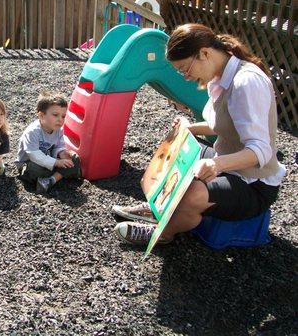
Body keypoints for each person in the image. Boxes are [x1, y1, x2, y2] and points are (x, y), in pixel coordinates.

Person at [114, 23, 286, 245]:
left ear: (204, 53)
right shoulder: (220, 74)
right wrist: (188, 129)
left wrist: (217, 165)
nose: (186, 76)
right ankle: (161, 206)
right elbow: (222, 125)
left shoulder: (245, 82)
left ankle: (163, 233)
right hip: (231, 165)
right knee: (179, 142)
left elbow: (261, 150)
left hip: (254, 183)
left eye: (185, 68)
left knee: (193, 192)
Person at [16, 92, 81, 193]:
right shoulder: (33, 131)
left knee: (74, 158)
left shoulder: (58, 129)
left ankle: (50, 181)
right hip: (29, 164)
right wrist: (57, 162)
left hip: (49, 160)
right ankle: (60, 175)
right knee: (37, 168)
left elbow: (58, 146)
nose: (60, 120)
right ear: (41, 115)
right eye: (55, 115)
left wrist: (62, 153)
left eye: (63, 116)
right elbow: (34, 155)